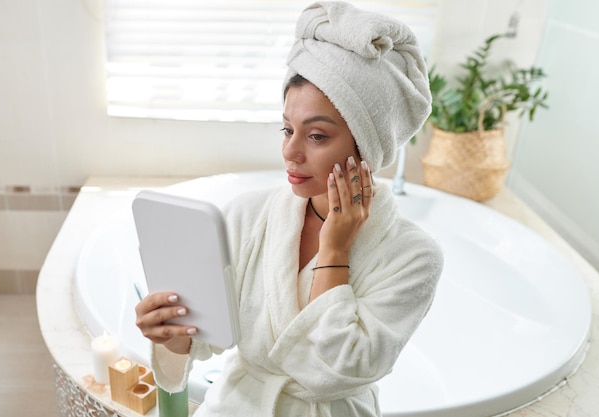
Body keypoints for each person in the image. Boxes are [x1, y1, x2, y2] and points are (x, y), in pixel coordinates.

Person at [135, 2, 443, 416]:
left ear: (365, 148)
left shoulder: (413, 256)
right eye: (287, 129)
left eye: (316, 136)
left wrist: (334, 252)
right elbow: (203, 339)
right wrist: (169, 332)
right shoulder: (249, 215)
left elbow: (336, 370)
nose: (289, 151)